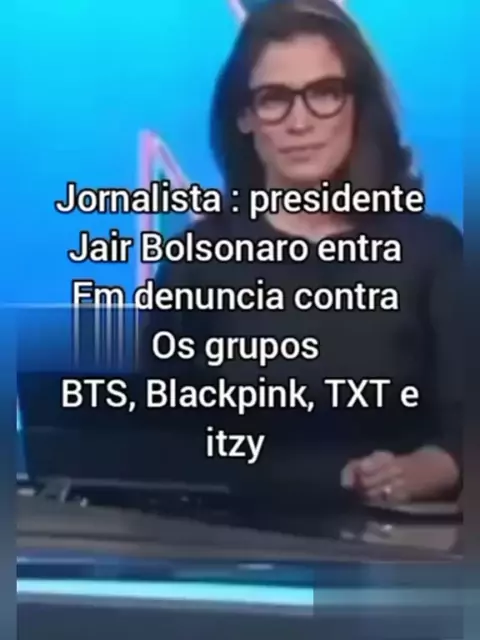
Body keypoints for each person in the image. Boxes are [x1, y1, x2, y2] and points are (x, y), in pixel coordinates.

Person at [141, 0, 461, 506]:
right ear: (245, 117)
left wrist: (427, 469)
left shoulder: (432, 252)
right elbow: (154, 444)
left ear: (357, 106)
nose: (299, 122)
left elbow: (462, 433)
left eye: (324, 94)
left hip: (398, 542)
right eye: (274, 99)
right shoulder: (196, 260)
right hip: (229, 536)